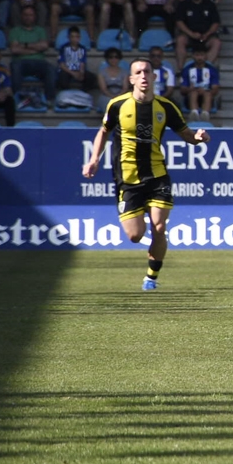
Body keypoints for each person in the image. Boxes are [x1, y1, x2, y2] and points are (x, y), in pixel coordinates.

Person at [81, 59, 211, 291]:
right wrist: (93, 159)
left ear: (153, 77)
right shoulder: (117, 105)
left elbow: (188, 136)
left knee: (159, 227)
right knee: (134, 235)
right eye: (137, 72)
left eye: (147, 72)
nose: (143, 76)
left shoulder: (166, 107)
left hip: (157, 175)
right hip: (127, 178)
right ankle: (151, 252)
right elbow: (103, 132)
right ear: (130, 79)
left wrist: (199, 138)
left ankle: (151, 277)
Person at [176, 43, 220, 119]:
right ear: (192, 56)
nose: (199, 57)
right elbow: (182, 90)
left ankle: (205, 114)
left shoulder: (212, 70)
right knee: (193, 93)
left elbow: (215, 89)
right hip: (190, 98)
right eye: (197, 55)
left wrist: (205, 91)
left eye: (202, 55)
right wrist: (190, 89)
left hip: (207, 97)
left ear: (206, 56)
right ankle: (194, 113)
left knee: (207, 94)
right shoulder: (187, 70)